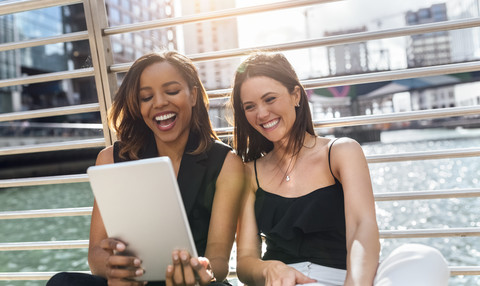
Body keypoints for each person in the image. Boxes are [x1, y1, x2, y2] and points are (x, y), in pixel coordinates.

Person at [230, 52, 450, 286]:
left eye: (270, 99)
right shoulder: (248, 173)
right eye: (250, 106)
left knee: (424, 258)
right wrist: (269, 268)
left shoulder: (342, 152)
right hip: (285, 281)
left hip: (347, 280)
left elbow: (362, 229)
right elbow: (245, 262)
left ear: (296, 95)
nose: (262, 113)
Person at [47, 51, 245, 286]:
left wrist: (201, 268)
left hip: (191, 284)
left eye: (171, 91)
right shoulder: (110, 159)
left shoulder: (226, 162)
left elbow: (219, 261)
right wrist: (116, 270)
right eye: (146, 97)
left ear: (193, 96)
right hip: (130, 283)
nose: (159, 103)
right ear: (137, 106)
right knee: (61, 282)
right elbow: (96, 255)